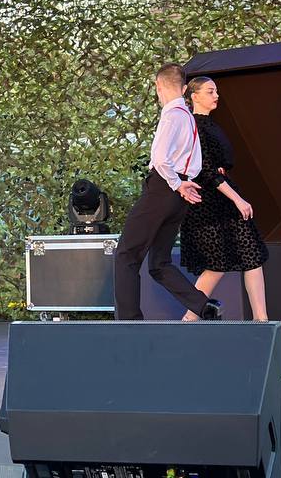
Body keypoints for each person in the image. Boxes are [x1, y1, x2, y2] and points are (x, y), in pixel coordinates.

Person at [114, 63, 222, 321]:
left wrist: (175, 183)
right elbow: (195, 162)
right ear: (184, 89)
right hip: (180, 194)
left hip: (165, 187)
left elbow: (161, 159)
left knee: (126, 255)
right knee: (159, 263)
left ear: (157, 86)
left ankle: (129, 322)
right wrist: (183, 184)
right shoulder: (188, 117)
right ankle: (204, 306)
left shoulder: (172, 115)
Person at [179, 76, 270, 321]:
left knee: (252, 255)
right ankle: (189, 319)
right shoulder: (194, 127)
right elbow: (206, 171)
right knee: (216, 264)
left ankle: (261, 320)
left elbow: (217, 166)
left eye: (216, 91)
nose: (216, 95)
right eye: (210, 91)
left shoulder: (211, 125)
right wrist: (238, 199)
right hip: (207, 202)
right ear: (194, 96)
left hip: (222, 196)